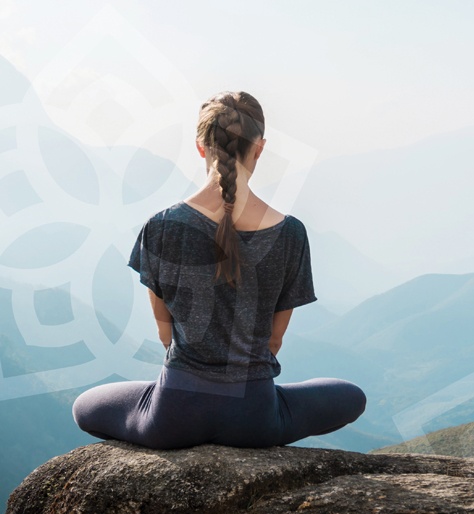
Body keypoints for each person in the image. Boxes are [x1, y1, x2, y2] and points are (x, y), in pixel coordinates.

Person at [72, 91, 366, 449]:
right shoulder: (290, 233)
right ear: (259, 147)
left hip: (173, 417)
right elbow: (274, 342)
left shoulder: (161, 227)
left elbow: (166, 336)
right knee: (352, 396)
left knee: (83, 407)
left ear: (201, 147)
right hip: (254, 420)